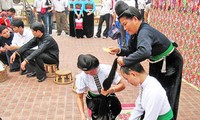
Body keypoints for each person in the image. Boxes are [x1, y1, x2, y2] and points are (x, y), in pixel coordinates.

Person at [108, 1, 183, 119]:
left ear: (135, 19)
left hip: (170, 63)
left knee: (167, 95)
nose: (124, 28)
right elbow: (132, 50)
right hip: (156, 62)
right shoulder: (135, 33)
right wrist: (119, 51)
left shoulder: (144, 32)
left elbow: (145, 52)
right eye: (122, 25)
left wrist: (126, 61)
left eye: (125, 24)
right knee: (150, 89)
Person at [76, 54, 125, 120]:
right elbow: (79, 97)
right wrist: (82, 114)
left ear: (97, 65)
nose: (91, 73)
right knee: (98, 116)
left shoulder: (106, 69)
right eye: (87, 73)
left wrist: (111, 90)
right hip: (94, 98)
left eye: (93, 70)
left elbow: (122, 85)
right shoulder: (81, 77)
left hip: (108, 94)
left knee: (116, 109)